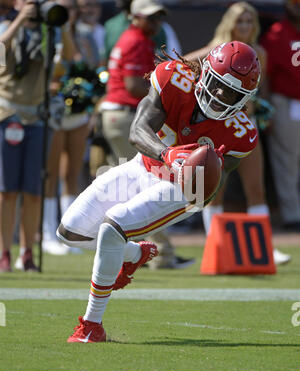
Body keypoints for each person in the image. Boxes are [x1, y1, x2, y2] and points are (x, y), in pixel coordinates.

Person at [56, 40, 261, 342]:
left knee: (113, 226)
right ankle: (134, 253)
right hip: (144, 165)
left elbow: (207, 190)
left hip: (182, 188)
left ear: (244, 98)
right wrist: (168, 154)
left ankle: (91, 326)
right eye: (217, 85)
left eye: (231, 93)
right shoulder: (173, 78)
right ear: (204, 74)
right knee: (69, 232)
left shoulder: (241, 133)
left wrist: (200, 167)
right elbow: (137, 130)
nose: (220, 95)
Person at [185, 1, 291, 266]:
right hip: (220, 128)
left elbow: (259, 92)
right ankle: (214, 246)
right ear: (229, 24)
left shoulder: (260, 52)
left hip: (248, 125)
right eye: (239, 21)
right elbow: (182, 64)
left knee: (256, 188)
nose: (244, 26)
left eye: (249, 21)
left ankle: (264, 247)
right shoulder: (217, 50)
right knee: (215, 190)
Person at [100, 0, 191, 270]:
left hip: (119, 114)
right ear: (135, 17)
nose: (156, 23)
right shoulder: (136, 41)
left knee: (134, 188)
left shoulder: (134, 37)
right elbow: (132, 85)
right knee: (148, 185)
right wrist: (166, 96)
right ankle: (160, 253)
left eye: (159, 18)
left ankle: (141, 250)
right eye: (150, 18)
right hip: (125, 115)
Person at [0, 0, 73, 272]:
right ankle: (4, 251)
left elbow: (71, 56)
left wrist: (61, 25)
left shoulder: (48, 33)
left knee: (33, 191)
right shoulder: (7, 26)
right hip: (8, 114)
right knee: (7, 191)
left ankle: (28, 251)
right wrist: (20, 20)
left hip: (37, 117)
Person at [42, 0, 106, 255]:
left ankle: (69, 233)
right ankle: (47, 235)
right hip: (53, 111)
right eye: (63, 8)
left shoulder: (86, 35)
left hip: (79, 111)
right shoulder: (46, 33)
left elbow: (91, 67)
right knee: (51, 172)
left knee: (71, 173)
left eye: (71, 8)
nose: (68, 13)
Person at [260, 0, 300, 233]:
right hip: (286, 101)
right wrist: (268, 108)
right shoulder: (277, 33)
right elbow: (265, 74)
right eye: (294, 2)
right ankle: (292, 215)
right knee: (287, 161)